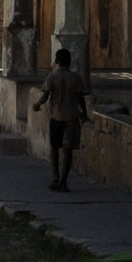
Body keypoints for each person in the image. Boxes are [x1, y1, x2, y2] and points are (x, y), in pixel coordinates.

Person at [33, 47, 89, 191]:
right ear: (70, 62)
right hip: (71, 117)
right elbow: (80, 97)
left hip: (56, 117)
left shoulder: (52, 77)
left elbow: (46, 95)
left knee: (54, 147)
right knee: (68, 150)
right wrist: (84, 112)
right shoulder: (75, 77)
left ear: (56, 62)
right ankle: (64, 181)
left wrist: (37, 105)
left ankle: (55, 176)